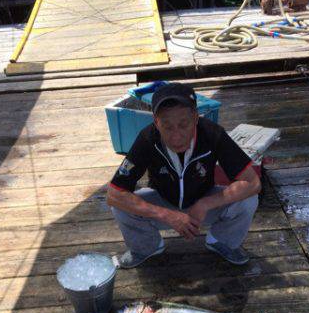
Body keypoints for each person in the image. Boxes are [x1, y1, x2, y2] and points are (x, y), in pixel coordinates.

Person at [107, 82, 261, 269]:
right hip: (162, 200)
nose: (176, 136)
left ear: (196, 118)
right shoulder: (147, 138)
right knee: (121, 206)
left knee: (248, 199)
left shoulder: (213, 134)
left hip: (203, 201)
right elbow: (114, 194)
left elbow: (252, 182)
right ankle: (146, 247)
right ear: (156, 122)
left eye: (183, 125)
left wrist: (206, 203)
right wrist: (166, 214)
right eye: (167, 126)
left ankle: (222, 241)